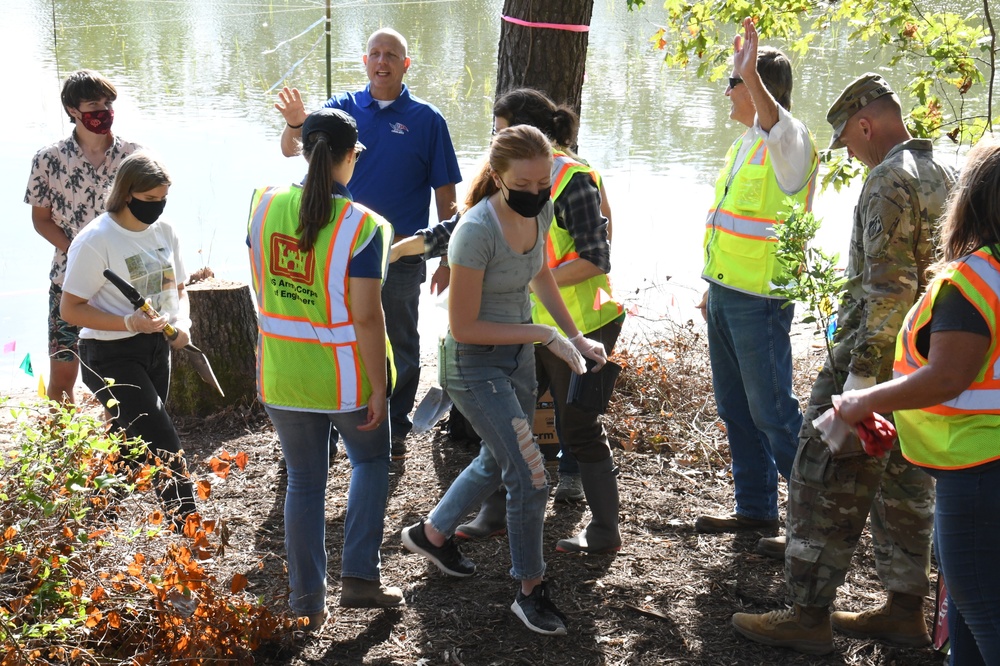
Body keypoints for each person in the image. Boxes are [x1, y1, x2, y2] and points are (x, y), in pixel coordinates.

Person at [731, 73, 956, 655]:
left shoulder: (887, 180)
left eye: (849, 142)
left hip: (875, 355)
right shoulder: (945, 172)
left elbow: (887, 287)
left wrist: (859, 379)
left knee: (819, 475)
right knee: (906, 479)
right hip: (926, 357)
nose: (849, 155)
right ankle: (905, 609)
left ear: (865, 124)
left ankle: (808, 615)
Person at [393, 88, 625, 554]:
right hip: (521, 332)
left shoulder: (570, 181)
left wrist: (571, 334)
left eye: (503, 130)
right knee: (510, 436)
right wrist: (396, 248)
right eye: (498, 133)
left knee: (576, 429)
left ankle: (601, 530)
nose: (497, 139)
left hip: (577, 321)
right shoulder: (499, 190)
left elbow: (594, 258)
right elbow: (458, 230)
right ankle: (489, 521)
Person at [837, 137, 1000, 666]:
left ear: (973, 199)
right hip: (980, 470)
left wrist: (864, 402)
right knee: (966, 631)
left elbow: (945, 377)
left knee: (983, 616)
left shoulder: (973, 281)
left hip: (976, 472)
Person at [275, 27, 462, 461]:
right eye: (375, 53)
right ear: (364, 61)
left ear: (405, 64)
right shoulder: (340, 109)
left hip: (400, 252)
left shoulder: (427, 119)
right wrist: (295, 123)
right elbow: (291, 150)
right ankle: (329, 428)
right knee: (334, 331)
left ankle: (393, 428)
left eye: (391, 55)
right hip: (337, 248)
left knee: (399, 338)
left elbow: (447, 194)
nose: (382, 61)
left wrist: (448, 255)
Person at [248, 108, 403, 629]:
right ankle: (359, 577)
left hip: (282, 374)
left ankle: (305, 605)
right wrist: (379, 386)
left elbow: (263, 285)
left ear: (306, 147)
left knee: (304, 483)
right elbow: (365, 315)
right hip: (344, 379)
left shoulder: (264, 204)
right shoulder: (363, 225)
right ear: (350, 156)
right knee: (370, 464)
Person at [694, 18, 818, 534]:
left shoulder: (790, 142)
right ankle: (756, 511)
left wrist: (753, 77)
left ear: (757, 88)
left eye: (735, 80)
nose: (727, 88)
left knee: (772, 413)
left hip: (761, 301)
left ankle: (815, 522)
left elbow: (780, 130)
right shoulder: (745, 142)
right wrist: (712, 286)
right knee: (736, 409)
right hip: (727, 293)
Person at [60, 151, 195, 525]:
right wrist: (129, 322)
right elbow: (70, 310)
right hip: (108, 353)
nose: (157, 207)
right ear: (126, 193)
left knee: (131, 445)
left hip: (156, 349)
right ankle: (190, 534)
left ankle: (93, 521)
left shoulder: (165, 232)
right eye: (149, 199)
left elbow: (178, 290)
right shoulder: (96, 240)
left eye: (163, 198)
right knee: (164, 440)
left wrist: (183, 324)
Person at [25, 69, 142, 405]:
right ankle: (62, 448)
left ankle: (119, 449)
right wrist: (79, 251)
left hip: (122, 284)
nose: (103, 111)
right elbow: (41, 220)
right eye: (94, 104)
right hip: (68, 280)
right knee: (63, 373)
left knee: (115, 377)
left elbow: (149, 211)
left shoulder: (134, 155)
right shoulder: (47, 159)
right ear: (73, 110)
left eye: (108, 103)